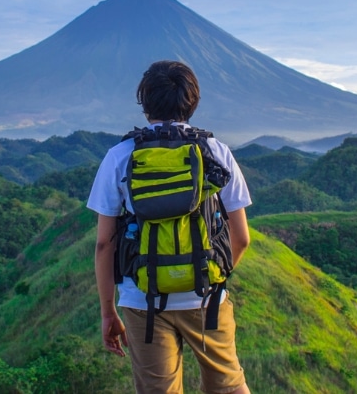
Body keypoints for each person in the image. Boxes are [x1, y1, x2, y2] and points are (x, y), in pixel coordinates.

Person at [90, 60, 254, 394]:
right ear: (192, 101)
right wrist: (208, 278)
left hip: (142, 299)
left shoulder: (121, 155)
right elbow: (242, 238)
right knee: (228, 385)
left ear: (145, 103)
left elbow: (104, 244)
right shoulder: (215, 151)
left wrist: (108, 312)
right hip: (206, 298)